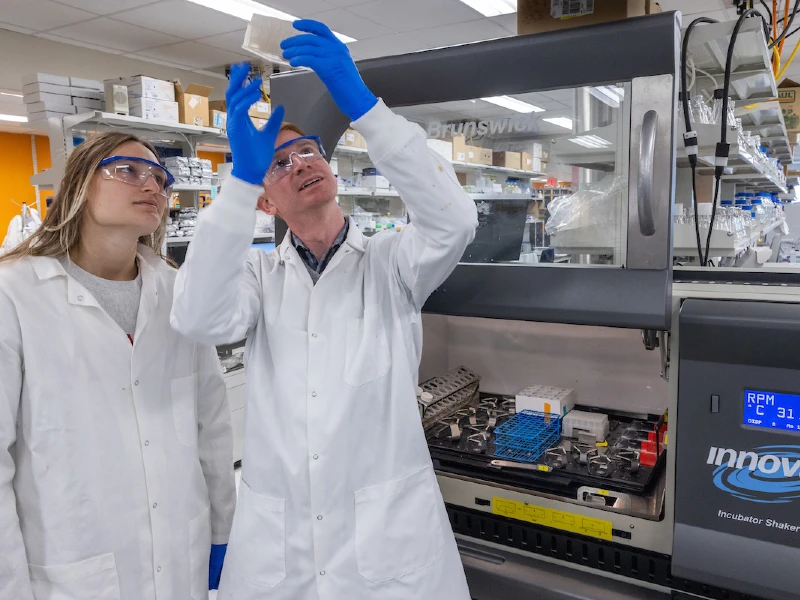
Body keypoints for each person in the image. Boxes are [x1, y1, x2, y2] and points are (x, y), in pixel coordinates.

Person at [171, 19, 478, 600]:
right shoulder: (258, 277)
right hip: (279, 549)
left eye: (308, 150)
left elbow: (456, 220)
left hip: (389, 546)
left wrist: (362, 104)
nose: (301, 163)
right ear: (265, 199)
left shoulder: (392, 263)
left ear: (330, 166)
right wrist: (236, 181)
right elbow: (197, 318)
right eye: (278, 163)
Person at [0, 132, 236, 600]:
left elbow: (212, 423)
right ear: (78, 184)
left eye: (160, 178)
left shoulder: (177, 293)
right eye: (128, 170)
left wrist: (222, 531)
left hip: (179, 556)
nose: (152, 185)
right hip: (72, 565)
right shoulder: (15, 294)